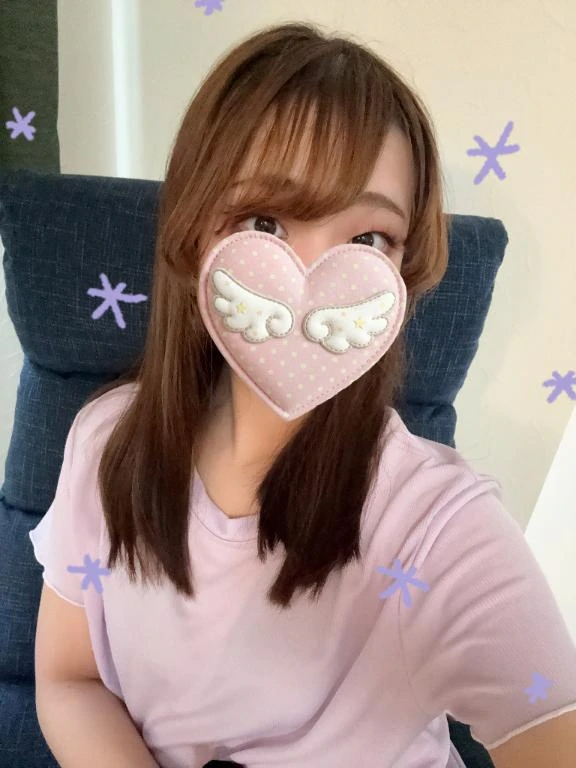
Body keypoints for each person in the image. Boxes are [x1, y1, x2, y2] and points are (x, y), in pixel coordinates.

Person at [29, 21, 576, 768]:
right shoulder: (105, 443)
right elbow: (69, 678)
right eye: (265, 221)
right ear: (194, 235)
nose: (313, 280)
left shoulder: (437, 526)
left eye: (368, 240)